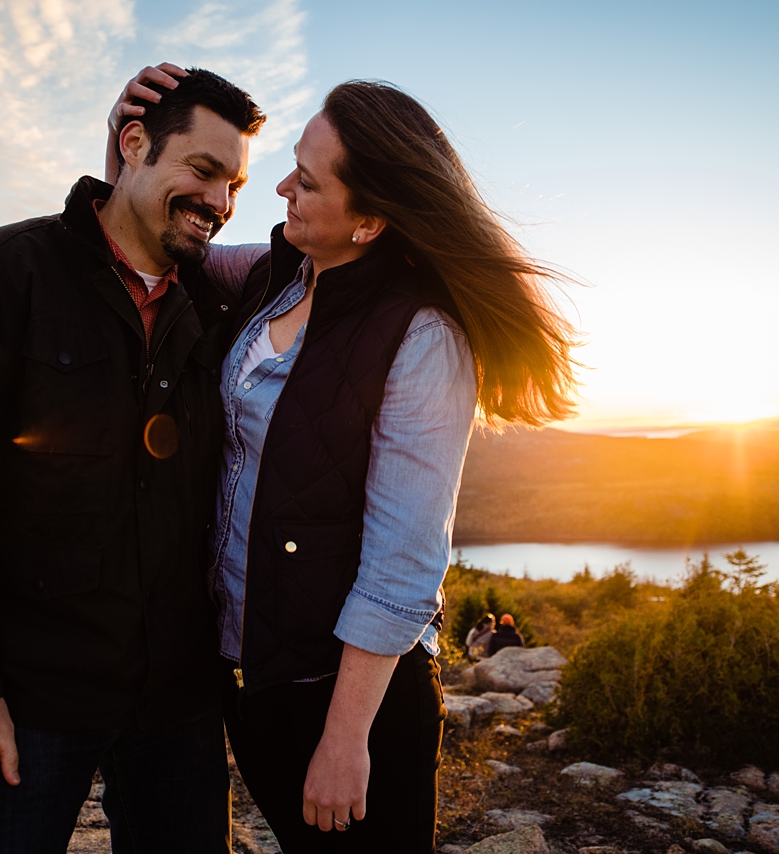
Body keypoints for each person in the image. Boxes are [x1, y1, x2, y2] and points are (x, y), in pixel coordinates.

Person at [110, 66, 577, 853]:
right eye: (292, 163)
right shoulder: (275, 275)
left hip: (350, 700)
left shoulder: (424, 336)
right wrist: (127, 149)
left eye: (309, 181)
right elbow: (160, 244)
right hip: (253, 676)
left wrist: (344, 739)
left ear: (369, 222)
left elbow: (405, 560)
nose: (281, 188)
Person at [0, 68, 266, 854]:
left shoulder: (219, 304)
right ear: (132, 144)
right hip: (29, 699)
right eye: (202, 171)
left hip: (178, 702)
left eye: (232, 183)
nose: (221, 202)